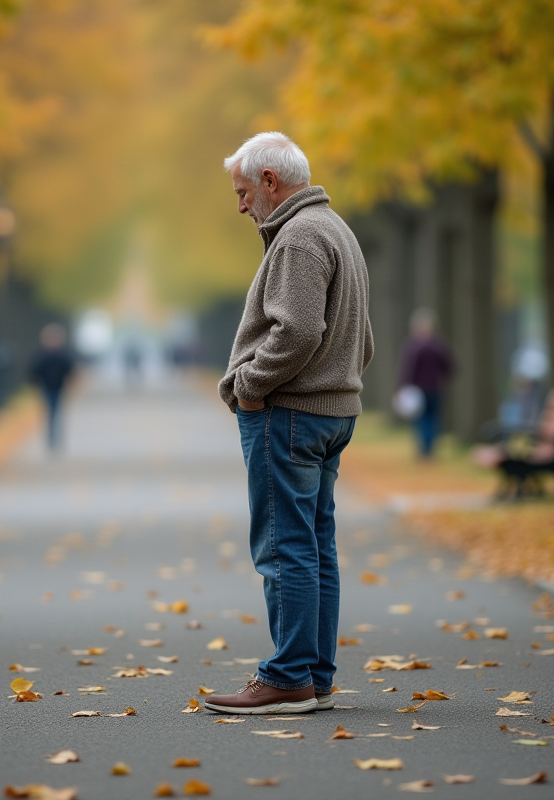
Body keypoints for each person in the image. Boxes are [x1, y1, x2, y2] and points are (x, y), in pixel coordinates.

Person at [205, 132, 373, 715]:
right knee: (314, 546)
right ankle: (313, 673)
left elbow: (298, 331)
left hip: (290, 412)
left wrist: (249, 388)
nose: (242, 205)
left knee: (284, 548)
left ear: (271, 182)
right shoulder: (337, 230)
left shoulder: (299, 238)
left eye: (244, 191)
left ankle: (289, 675)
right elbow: (363, 340)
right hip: (330, 413)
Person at [397, 308, 455, 459]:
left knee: (422, 421)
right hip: (436, 389)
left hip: (419, 390)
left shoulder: (413, 347)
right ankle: (430, 450)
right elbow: (450, 366)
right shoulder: (439, 345)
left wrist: (403, 386)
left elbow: (408, 370)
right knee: (433, 420)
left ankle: (424, 451)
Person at [28, 323, 75, 452]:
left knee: (56, 412)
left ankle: (55, 436)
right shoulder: (42, 354)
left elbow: (69, 370)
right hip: (46, 387)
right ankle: (51, 436)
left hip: (59, 388)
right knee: (50, 412)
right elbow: (35, 371)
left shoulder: (62, 354)